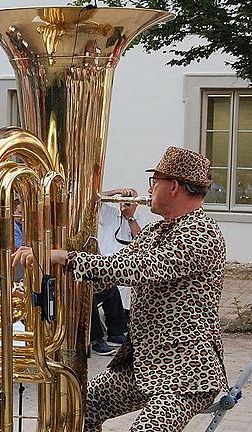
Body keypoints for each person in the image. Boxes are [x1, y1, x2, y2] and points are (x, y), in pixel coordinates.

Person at [12, 147, 226, 431]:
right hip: (143, 366)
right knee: (76, 411)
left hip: (185, 372)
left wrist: (66, 257)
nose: (149, 190)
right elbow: (110, 271)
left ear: (173, 186)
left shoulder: (202, 233)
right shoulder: (154, 231)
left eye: (155, 182)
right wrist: (44, 261)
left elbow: (139, 269)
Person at [87, 188, 141, 356]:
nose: (126, 202)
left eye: (130, 199)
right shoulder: (109, 213)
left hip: (120, 268)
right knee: (87, 295)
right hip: (102, 266)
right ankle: (95, 340)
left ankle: (116, 332)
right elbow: (93, 199)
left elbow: (142, 241)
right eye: (124, 199)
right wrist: (116, 193)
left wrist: (130, 217)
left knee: (111, 290)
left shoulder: (137, 218)